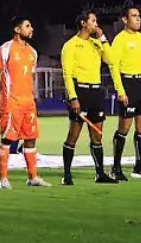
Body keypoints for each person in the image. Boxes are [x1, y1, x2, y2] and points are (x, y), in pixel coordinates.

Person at [59, 10, 116, 185]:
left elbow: (112, 60)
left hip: (96, 92)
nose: (96, 24)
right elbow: (67, 74)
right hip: (80, 91)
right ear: (84, 23)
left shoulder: (96, 43)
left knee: (96, 136)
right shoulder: (71, 45)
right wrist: (73, 97)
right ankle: (67, 175)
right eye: (93, 21)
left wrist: (103, 38)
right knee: (73, 135)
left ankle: (100, 174)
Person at [0, 15, 48, 189]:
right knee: (7, 139)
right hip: (11, 103)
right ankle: (3, 178)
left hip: (28, 103)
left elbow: (30, 77)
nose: (31, 29)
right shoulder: (6, 49)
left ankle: (33, 176)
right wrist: (3, 95)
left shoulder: (33, 52)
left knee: (31, 138)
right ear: (17, 30)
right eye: (28, 26)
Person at [110, 7, 141, 180]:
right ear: (125, 20)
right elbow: (114, 67)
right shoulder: (119, 40)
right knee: (124, 128)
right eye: (134, 16)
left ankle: (140, 166)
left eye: (139, 16)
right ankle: (116, 168)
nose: (138, 19)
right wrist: (120, 90)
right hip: (128, 83)